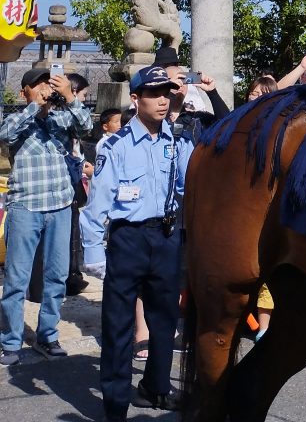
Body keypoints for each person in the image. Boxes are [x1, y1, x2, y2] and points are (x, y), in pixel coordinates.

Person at [80, 64, 194, 422]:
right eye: (154, 94)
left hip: (165, 236)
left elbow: (183, 187)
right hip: (128, 239)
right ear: (136, 99)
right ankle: (115, 402)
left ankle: (155, 388)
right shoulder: (114, 145)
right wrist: (94, 253)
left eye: (167, 94)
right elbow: (97, 204)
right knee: (117, 325)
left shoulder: (175, 141)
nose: (163, 101)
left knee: (164, 321)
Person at [0, 65, 92, 366]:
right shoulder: (17, 118)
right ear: (24, 91)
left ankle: (47, 336)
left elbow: (86, 128)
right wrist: (34, 109)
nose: (44, 89)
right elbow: (5, 133)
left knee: (57, 276)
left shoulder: (61, 117)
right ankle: (11, 342)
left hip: (61, 206)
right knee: (16, 279)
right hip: (25, 207)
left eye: (47, 84)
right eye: (37, 85)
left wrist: (69, 96)